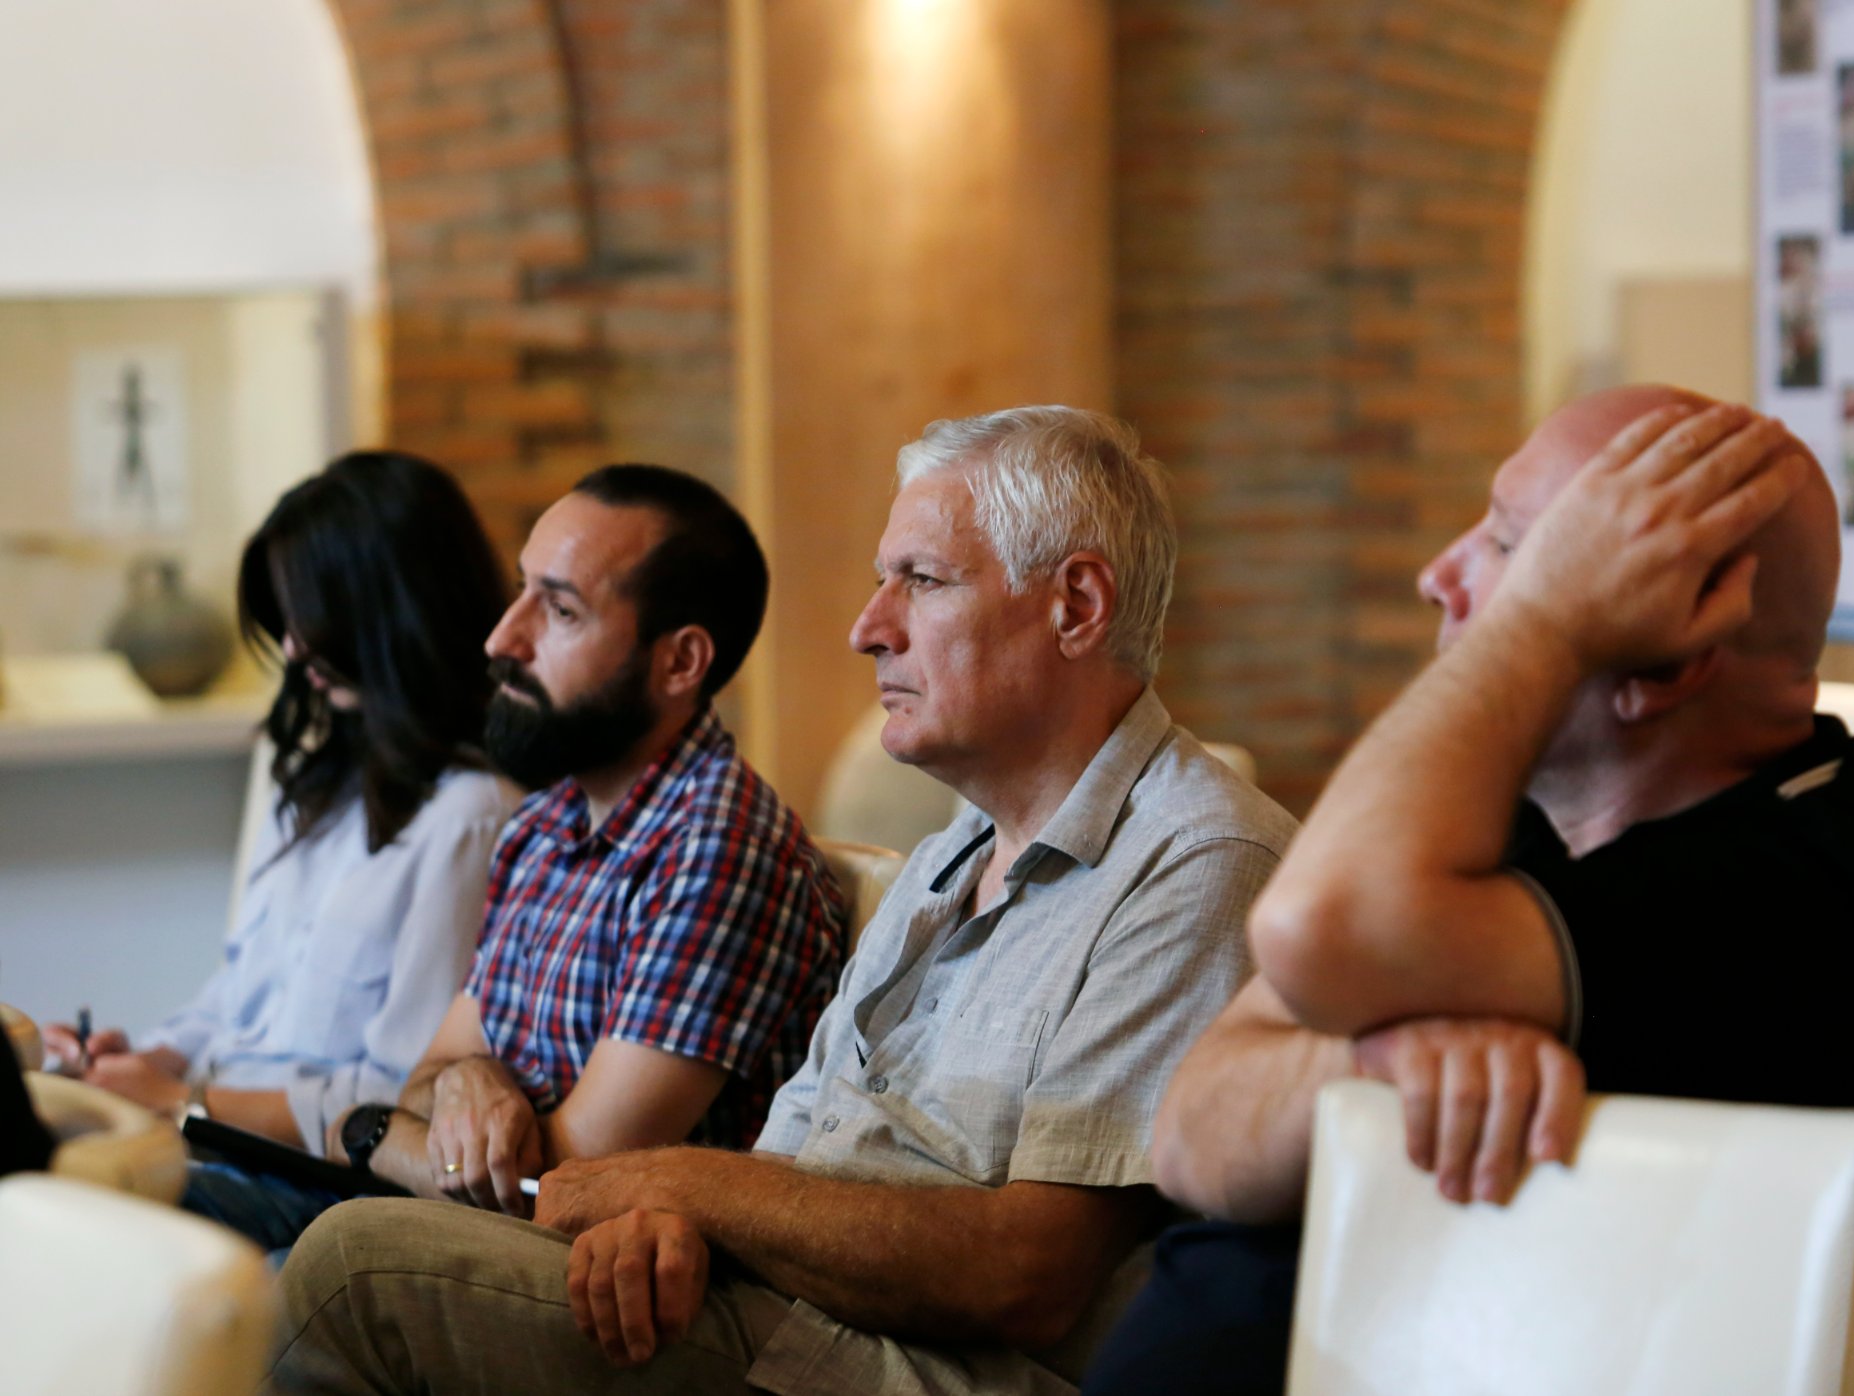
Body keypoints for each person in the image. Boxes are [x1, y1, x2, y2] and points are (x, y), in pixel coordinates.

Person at [265, 406, 1297, 1396]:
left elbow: (1024, 1274)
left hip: (901, 1372)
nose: (867, 628)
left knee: (348, 1271)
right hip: (777, 1317)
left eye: (921, 581)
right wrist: (669, 1222)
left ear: (1075, 606)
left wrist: (671, 1188)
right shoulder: (948, 858)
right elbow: (784, 1161)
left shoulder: (1199, 860)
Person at [1082, 388, 1854, 1394]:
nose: (1437, 576)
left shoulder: (1805, 889)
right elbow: (1191, 1130)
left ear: (1671, 658)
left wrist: (1542, 624)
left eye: (1514, 549)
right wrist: (1370, 1058)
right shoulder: (1524, 815)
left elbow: (1313, 929)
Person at [339, 464, 845, 1219]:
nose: (503, 638)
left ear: (680, 662)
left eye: (561, 611)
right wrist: (469, 1078)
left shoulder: (716, 850)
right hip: (485, 1236)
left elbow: (566, 1190)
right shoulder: (543, 825)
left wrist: (371, 1131)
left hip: (619, 1277)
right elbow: (429, 1078)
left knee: (319, 1248)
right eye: (522, 590)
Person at [43, 451, 518, 1249]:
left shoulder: (472, 817)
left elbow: (403, 1097)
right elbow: (237, 999)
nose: (294, 650)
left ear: (393, 613)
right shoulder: (317, 776)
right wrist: (137, 1058)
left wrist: (184, 1099)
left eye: (311, 620)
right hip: (212, 1134)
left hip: (314, 1182)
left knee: (60, 1195)